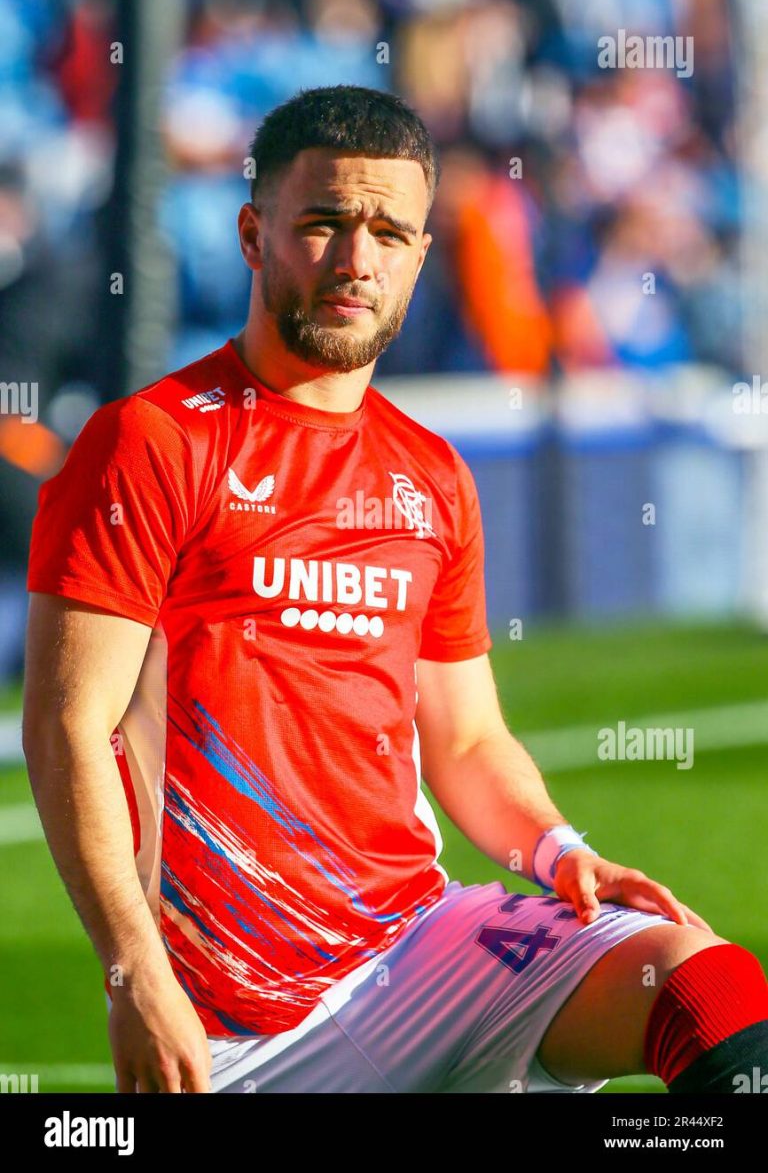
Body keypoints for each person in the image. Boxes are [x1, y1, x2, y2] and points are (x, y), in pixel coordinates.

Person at [23, 85, 768, 1095]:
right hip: (234, 1018)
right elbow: (68, 725)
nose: (354, 260)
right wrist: (132, 972)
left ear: (422, 254)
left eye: (387, 231)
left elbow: (462, 739)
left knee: (699, 982)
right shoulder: (152, 441)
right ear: (254, 234)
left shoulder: (432, 474)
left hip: (421, 944)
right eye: (322, 223)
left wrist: (558, 855)